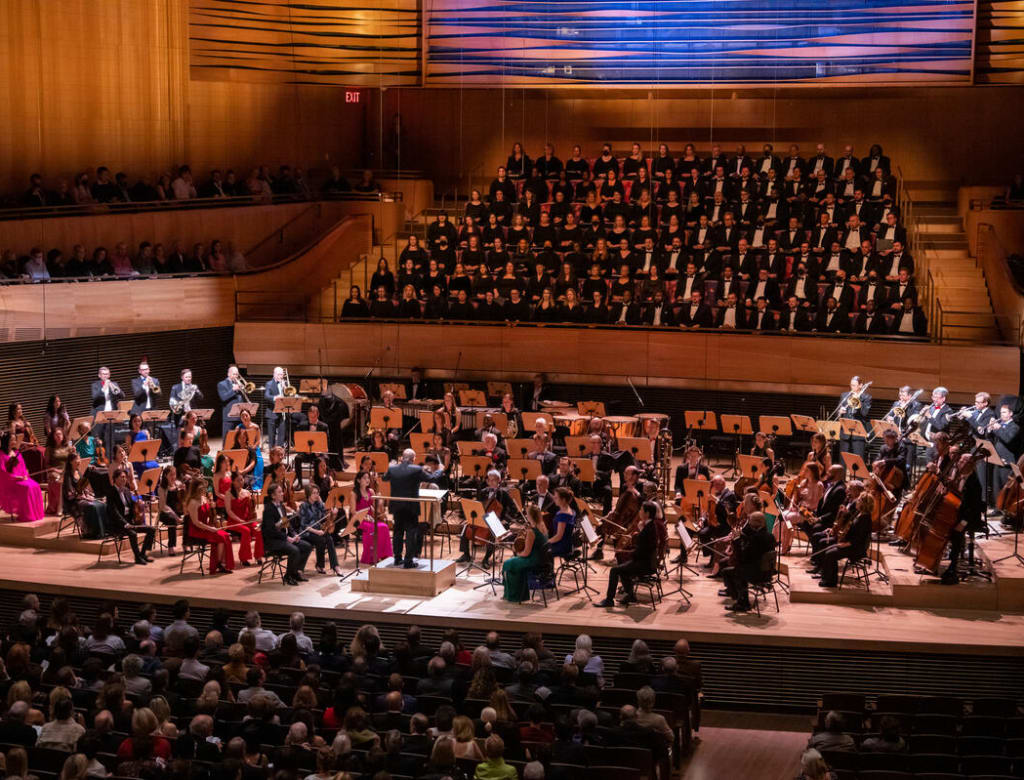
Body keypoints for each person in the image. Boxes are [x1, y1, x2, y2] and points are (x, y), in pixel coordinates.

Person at [382, 449, 445, 568]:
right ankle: (408, 561)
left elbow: (384, 478)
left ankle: (397, 558)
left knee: (398, 532)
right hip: (411, 506)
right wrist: (440, 470)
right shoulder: (416, 469)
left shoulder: (392, 469)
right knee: (411, 532)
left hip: (397, 506)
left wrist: (390, 467)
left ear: (402, 457)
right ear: (413, 459)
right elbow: (432, 478)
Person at [596, 500, 659, 607]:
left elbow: (640, 551)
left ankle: (609, 600)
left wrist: (628, 553)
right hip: (647, 561)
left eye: (641, 510)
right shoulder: (651, 526)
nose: (639, 512)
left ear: (647, 513)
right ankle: (631, 596)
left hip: (644, 564)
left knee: (614, 570)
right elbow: (643, 547)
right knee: (623, 570)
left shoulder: (648, 529)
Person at [722, 511, 776, 613]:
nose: (749, 524)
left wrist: (737, 540)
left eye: (750, 521)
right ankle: (741, 599)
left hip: (756, 574)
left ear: (754, 523)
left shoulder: (756, 538)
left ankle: (742, 602)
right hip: (767, 573)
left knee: (728, 572)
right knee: (739, 570)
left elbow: (743, 557)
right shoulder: (770, 536)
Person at [261, 482, 312, 585]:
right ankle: (288, 576)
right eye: (279, 492)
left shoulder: (281, 506)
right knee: (295, 550)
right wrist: (287, 538)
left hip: (284, 538)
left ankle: (296, 572)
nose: (283, 493)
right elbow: (271, 530)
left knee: (307, 546)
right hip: (273, 541)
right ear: (273, 496)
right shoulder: (268, 510)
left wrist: (294, 535)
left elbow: (287, 524)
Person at [182, 477, 235, 575]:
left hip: (206, 528)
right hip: (196, 531)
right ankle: (219, 564)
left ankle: (221, 563)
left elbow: (207, 515)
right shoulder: (192, 502)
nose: (204, 491)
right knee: (221, 537)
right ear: (195, 490)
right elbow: (196, 522)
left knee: (226, 536)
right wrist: (211, 528)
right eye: (201, 489)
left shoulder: (204, 498)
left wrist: (212, 510)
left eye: (204, 489)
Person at [105, 469, 156, 564]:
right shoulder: (111, 492)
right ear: (115, 479)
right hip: (117, 525)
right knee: (132, 533)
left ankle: (143, 554)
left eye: (125, 477)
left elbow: (132, 504)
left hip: (129, 522)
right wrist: (125, 524)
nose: (124, 479)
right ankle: (137, 557)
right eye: (122, 477)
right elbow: (113, 512)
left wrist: (141, 504)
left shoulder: (126, 490)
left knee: (151, 529)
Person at [502, 504, 549, 603]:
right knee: (512, 563)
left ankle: (514, 596)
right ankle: (517, 594)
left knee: (508, 564)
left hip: (533, 561)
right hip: (543, 560)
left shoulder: (532, 532)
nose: (526, 516)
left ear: (530, 516)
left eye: (527, 514)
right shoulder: (543, 526)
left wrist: (517, 554)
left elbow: (526, 553)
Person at [297, 484, 342, 576]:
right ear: (308, 494)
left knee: (329, 538)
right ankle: (320, 565)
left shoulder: (319, 504)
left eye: (317, 493)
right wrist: (317, 531)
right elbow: (304, 525)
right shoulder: (304, 506)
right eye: (314, 493)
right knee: (321, 539)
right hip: (307, 533)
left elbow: (325, 518)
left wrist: (333, 514)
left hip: (318, 531)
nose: (316, 495)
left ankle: (335, 566)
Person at [350, 470, 392, 565]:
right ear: (358, 480)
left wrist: (380, 503)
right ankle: (370, 557)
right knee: (372, 528)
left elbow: (374, 508)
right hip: (359, 520)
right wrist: (364, 517)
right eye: (364, 478)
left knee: (384, 527)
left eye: (368, 478)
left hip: (370, 519)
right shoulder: (354, 493)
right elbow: (353, 511)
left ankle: (383, 555)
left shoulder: (371, 491)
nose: (367, 480)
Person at [217, 365, 247, 440]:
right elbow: (223, 398)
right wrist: (233, 390)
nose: (236, 376)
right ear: (228, 374)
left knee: (239, 439)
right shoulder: (222, 384)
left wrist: (243, 390)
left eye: (237, 374)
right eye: (234, 374)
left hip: (240, 416)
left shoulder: (240, 384)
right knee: (227, 439)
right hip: (229, 416)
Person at [547, 487, 577, 560]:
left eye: (556, 497)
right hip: (567, 544)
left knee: (537, 549)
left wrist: (546, 542)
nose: (554, 499)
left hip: (561, 546)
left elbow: (559, 536)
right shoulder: (571, 510)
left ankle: (546, 570)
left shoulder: (563, 515)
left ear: (563, 500)